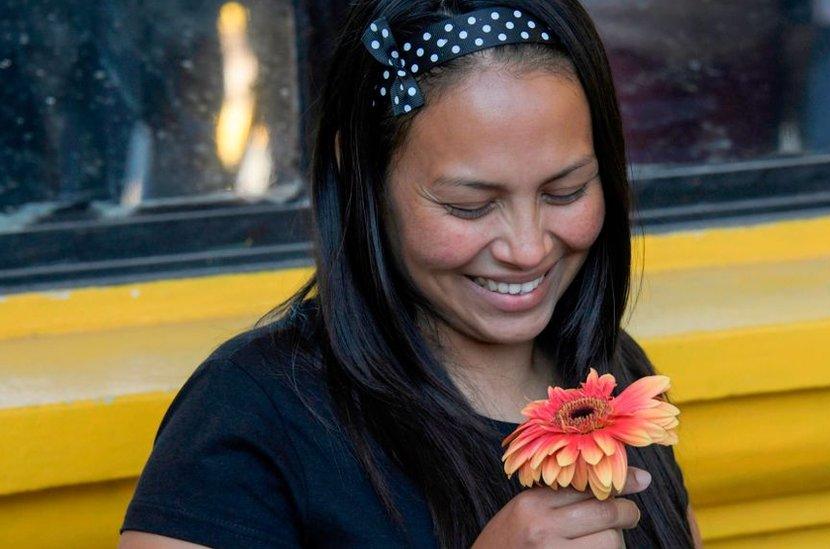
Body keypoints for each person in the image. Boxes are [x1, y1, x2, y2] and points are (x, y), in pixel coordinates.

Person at [118, 1, 702, 547]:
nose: (528, 249)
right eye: (469, 206)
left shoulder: (612, 379)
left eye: (565, 191)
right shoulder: (255, 407)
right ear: (362, 173)